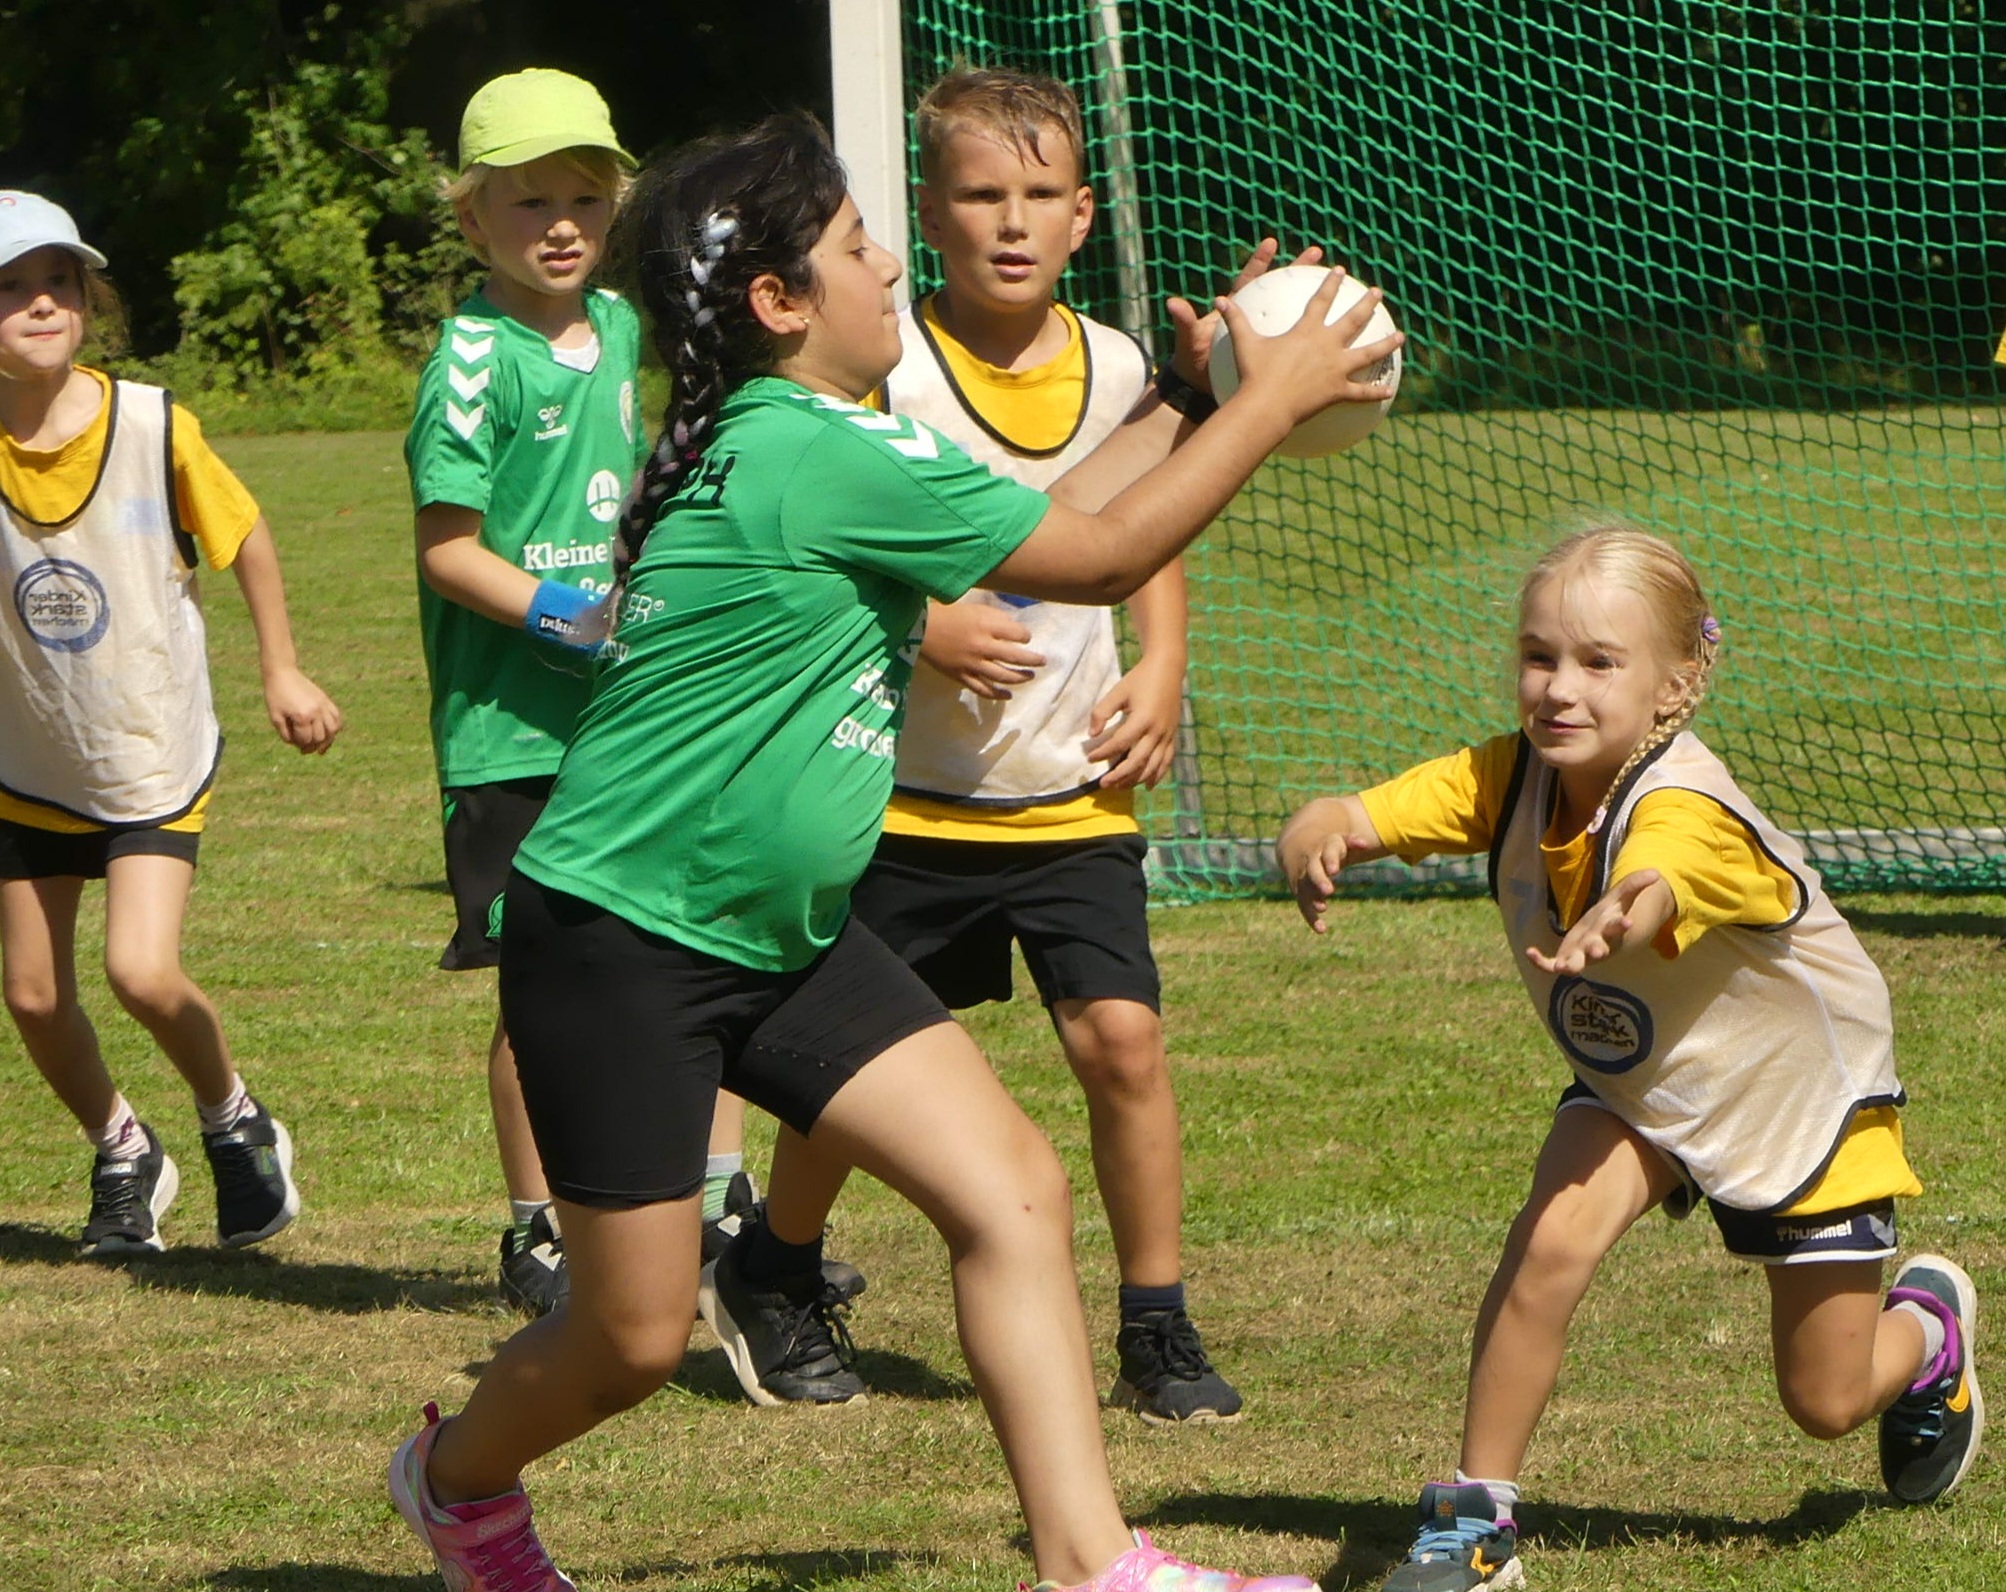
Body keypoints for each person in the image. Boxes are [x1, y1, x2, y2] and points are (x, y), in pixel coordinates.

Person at [389, 112, 1398, 1592]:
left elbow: (1051, 517)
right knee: (630, 1338)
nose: (888, 274)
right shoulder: (809, 446)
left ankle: (1091, 1565)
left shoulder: (802, 435)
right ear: (778, 302)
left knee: (1010, 1190)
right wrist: (1275, 397)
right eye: (860, 249)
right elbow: (1102, 559)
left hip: (780, 934)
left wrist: (1191, 393)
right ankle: (453, 1483)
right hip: (620, 942)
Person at [1277, 525, 1982, 1591]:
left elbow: (1662, 871)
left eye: (1599, 662)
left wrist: (1627, 906)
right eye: (1538, 655)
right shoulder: (1508, 775)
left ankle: (1927, 1334)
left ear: (1676, 681)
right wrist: (1315, 831)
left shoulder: (1685, 805)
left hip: (1794, 1102)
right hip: (1643, 1083)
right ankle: (1473, 1523)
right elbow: (1361, 812)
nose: (1559, 688)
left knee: (1825, 1401)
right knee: (1549, 1239)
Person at [708, 65, 1237, 1421]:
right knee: (848, 1070)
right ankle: (775, 1265)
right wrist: (927, 618)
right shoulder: (879, 367)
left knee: (1121, 1043)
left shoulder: (1123, 367)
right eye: (982, 193)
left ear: (1083, 215)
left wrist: (1163, 661)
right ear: (928, 214)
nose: (1012, 220)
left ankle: (1156, 1322)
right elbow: (854, 533)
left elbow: (1144, 522)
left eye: (1041, 194)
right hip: (906, 796)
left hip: (1067, 791)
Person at [0, 191, 341, 1255]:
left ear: (88, 298)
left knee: (140, 970)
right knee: (32, 993)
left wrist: (281, 667)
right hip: (29, 755)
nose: (40, 303)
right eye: (11, 286)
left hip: (147, 748)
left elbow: (247, 538)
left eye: (58, 281)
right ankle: (123, 1150)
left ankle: (234, 1117)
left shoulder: (151, 426)